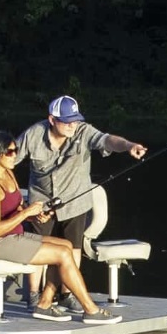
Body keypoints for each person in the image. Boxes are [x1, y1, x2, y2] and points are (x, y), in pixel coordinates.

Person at [15, 96, 147, 312]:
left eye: (75, 120)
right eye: (67, 121)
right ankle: (32, 296)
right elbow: (8, 160)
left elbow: (107, 140)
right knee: (36, 248)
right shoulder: (33, 134)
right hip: (41, 203)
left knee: (73, 247)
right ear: (52, 119)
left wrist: (129, 146)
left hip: (75, 202)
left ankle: (67, 294)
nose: (72, 125)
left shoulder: (83, 131)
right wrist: (22, 205)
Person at [0, 130, 121, 324]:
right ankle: (90, 309)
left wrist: (35, 214)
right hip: (0, 243)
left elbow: (14, 208)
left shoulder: (7, 172)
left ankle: (44, 304)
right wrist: (25, 214)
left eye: (16, 150)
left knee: (66, 246)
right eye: (10, 152)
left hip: (14, 236)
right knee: (61, 255)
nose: (15, 155)